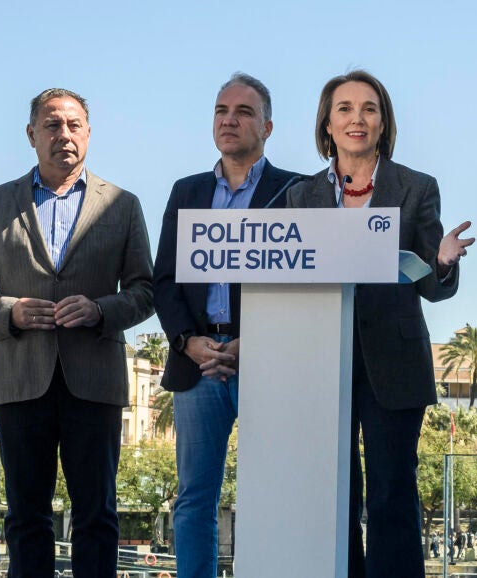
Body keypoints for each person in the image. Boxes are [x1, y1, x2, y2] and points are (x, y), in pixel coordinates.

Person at [0, 88, 154, 576]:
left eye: (74, 125)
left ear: (88, 134)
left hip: (95, 380)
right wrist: (9, 311)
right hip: (20, 379)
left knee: (97, 516)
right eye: (52, 124)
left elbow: (146, 290)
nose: (64, 134)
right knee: (26, 518)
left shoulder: (123, 205)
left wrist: (100, 310)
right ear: (31, 134)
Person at [286, 69, 473, 578]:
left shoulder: (416, 187)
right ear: (327, 124)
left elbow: (433, 287)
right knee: (334, 493)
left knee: (392, 490)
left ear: (383, 122)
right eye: (344, 108)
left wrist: (443, 262)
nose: (357, 118)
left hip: (394, 362)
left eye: (369, 108)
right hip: (322, 362)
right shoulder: (300, 196)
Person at [152, 72, 300, 577]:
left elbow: (302, 281)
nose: (229, 120)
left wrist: (254, 341)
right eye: (221, 111)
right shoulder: (187, 191)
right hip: (196, 364)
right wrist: (187, 342)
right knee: (194, 497)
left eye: (243, 112)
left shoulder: (296, 191)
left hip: (267, 361)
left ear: (268, 126)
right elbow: (164, 279)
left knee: (273, 490)